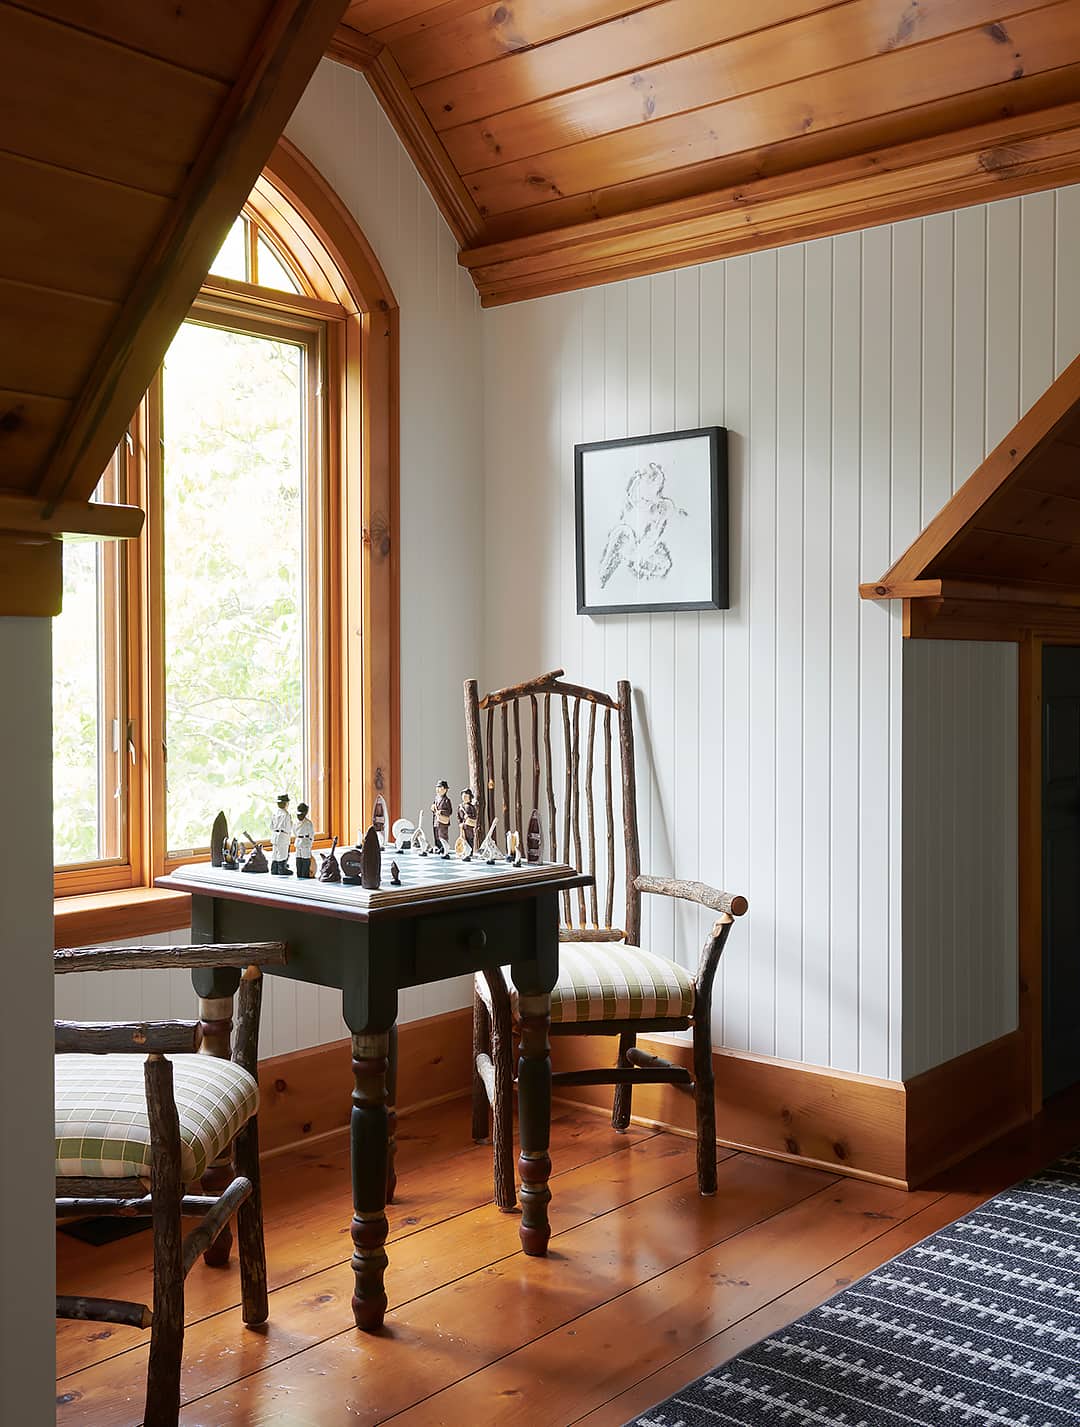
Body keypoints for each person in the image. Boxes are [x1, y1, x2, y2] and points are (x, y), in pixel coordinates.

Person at [270, 793, 294, 875]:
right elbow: (288, 827)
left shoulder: (275, 813)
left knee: (275, 851)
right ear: (286, 803)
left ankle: (274, 868)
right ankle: (282, 869)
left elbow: (271, 826)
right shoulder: (286, 814)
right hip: (283, 835)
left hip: (275, 835)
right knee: (283, 852)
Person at [294, 801, 315, 878]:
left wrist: (309, 842)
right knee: (298, 859)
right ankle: (299, 874)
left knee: (306, 859)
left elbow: (311, 834)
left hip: (305, 842)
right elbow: (295, 832)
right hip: (298, 842)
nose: (299, 816)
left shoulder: (308, 823)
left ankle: (305, 874)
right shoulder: (296, 823)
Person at [432, 779, 453, 852]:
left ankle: (444, 849)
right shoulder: (436, 798)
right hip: (436, 820)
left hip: (443, 821)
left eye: (440, 787)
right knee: (436, 834)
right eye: (437, 787)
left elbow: (450, 811)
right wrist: (433, 808)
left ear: (445, 790)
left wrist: (441, 812)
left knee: (443, 835)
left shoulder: (447, 800)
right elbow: (434, 806)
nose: (438, 789)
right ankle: (438, 847)